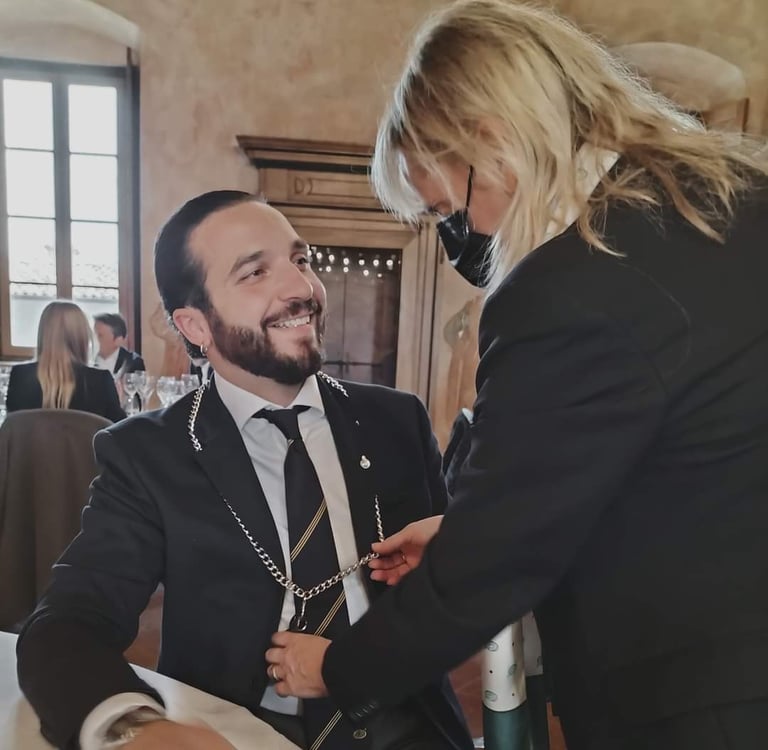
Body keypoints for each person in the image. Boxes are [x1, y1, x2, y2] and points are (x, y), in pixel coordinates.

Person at [264, 2, 768, 749]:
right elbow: (678, 454)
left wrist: (340, 668)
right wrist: (471, 528)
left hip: (702, 698)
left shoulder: (574, 286)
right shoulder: (729, 199)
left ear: (494, 142)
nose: (467, 236)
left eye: (450, 207)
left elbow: (493, 568)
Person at [16, 191, 472, 750]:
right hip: (233, 727)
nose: (302, 287)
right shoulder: (147, 453)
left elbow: (453, 592)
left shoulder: (395, 421)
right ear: (195, 325)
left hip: (403, 722)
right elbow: (66, 622)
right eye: (255, 272)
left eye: (301, 260)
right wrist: (137, 729)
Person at [6, 300, 125, 422]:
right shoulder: (101, 380)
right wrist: (118, 403)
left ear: (43, 335)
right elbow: (119, 429)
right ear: (82, 337)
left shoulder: (19, 376)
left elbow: (12, 428)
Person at [93, 312, 145, 377]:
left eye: (100, 335)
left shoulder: (133, 362)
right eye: (93, 334)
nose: (94, 339)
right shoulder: (85, 361)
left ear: (118, 340)